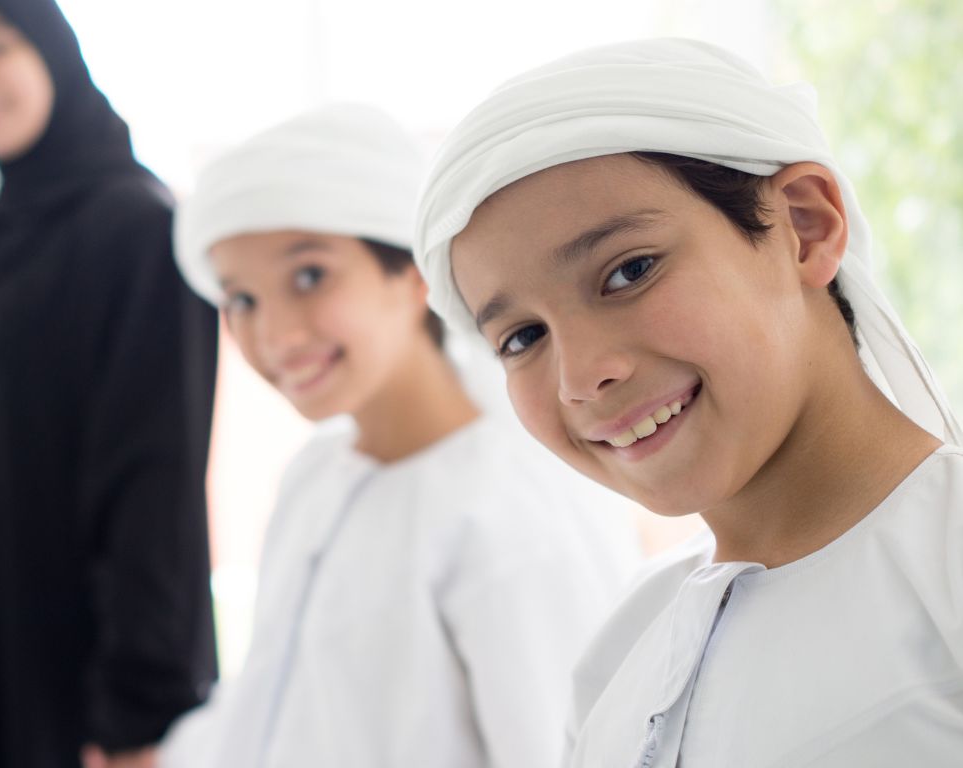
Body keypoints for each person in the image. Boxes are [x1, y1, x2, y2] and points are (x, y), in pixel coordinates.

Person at [413, 38, 963, 768]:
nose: (580, 377)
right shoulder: (620, 654)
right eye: (521, 338)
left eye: (628, 272)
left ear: (804, 225)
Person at [161, 103, 639, 768]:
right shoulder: (317, 475)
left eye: (309, 277)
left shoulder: (509, 511)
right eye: (241, 299)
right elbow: (276, 709)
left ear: (413, 274)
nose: (273, 335)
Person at [0, 1, 219, 766]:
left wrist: (137, 713)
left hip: (85, 683)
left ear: (54, 51)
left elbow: (156, 483)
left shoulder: (138, 226)